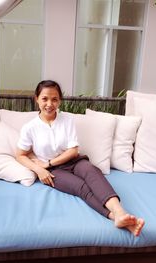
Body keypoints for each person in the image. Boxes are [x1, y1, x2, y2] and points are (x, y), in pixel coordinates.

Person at [16, 80, 144, 236]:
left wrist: (48, 163)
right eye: (44, 98)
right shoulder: (29, 128)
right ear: (36, 98)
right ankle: (115, 218)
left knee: (92, 171)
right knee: (81, 187)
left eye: (54, 99)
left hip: (72, 162)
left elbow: (73, 151)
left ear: (60, 101)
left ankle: (121, 212)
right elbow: (20, 155)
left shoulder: (67, 120)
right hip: (53, 171)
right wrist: (39, 169)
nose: (49, 103)